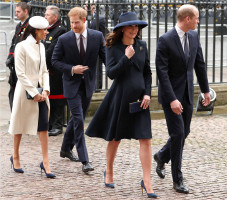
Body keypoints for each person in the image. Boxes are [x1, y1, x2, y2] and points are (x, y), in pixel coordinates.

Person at [85, 12, 157, 198]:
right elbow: (111, 73)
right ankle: (108, 171)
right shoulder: (112, 47)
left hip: (141, 99)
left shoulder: (142, 46)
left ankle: (147, 181)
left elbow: (147, 73)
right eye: (131, 26)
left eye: (136, 27)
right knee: (115, 138)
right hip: (121, 98)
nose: (134, 30)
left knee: (146, 139)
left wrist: (148, 93)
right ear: (123, 28)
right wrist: (126, 57)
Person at [154, 4, 211, 194]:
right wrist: (171, 99)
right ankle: (177, 179)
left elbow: (199, 65)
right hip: (171, 96)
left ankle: (162, 156)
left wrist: (205, 91)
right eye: (196, 17)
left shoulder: (193, 36)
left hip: (187, 93)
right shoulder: (165, 40)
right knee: (178, 134)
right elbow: (162, 73)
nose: (198, 21)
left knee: (184, 132)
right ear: (187, 19)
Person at [52, 7, 106, 173]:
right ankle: (85, 160)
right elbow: (55, 61)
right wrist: (71, 69)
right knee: (79, 119)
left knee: (77, 118)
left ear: (84, 20)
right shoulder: (64, 39)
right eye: (71, 22)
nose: (73, 25)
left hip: (88, 85)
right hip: (71, 84)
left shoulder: (97, 36)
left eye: (76, 22)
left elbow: (106, 58)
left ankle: (65, 149)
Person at [8, 16, 56, 179]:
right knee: (19, 126)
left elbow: (44, 70)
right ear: (36, 31)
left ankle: (46, 161)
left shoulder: (41, 46)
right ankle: (15, 157)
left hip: (41, 92)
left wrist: (46, 90)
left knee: (43, 126)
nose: (46, 32)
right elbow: (19, 72)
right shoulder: (21, 46)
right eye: (44, 30)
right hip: (24, 92)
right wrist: (33, 92)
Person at [43, 5, 67, 136]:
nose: (45, 17)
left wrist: (43, 61)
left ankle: (58, 125)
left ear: (55, 17)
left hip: (55, 69)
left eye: (47, 15)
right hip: (46, 69)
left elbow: (51, 51)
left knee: (57, 98)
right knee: (48, 97)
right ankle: (50, 123)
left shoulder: (60, 30)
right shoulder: (46, 30)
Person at [5, 2, 30, 110]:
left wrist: (14, 57)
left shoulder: (30, 26)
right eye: (15, 12)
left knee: (19, 93)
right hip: (14, 64)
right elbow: (13, 43)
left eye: (18, 11)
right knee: (12, 91)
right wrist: (10, 57)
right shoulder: (19, 25)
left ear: (25, 11)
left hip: (22, 64)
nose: (16, 14)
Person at [85, 3, 108, 90]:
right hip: (85, 48)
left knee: (97, 69)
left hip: (96, 48)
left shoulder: (100, 19)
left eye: (89, 6)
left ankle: (97, 87)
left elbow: (103, 34)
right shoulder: (83, 18)